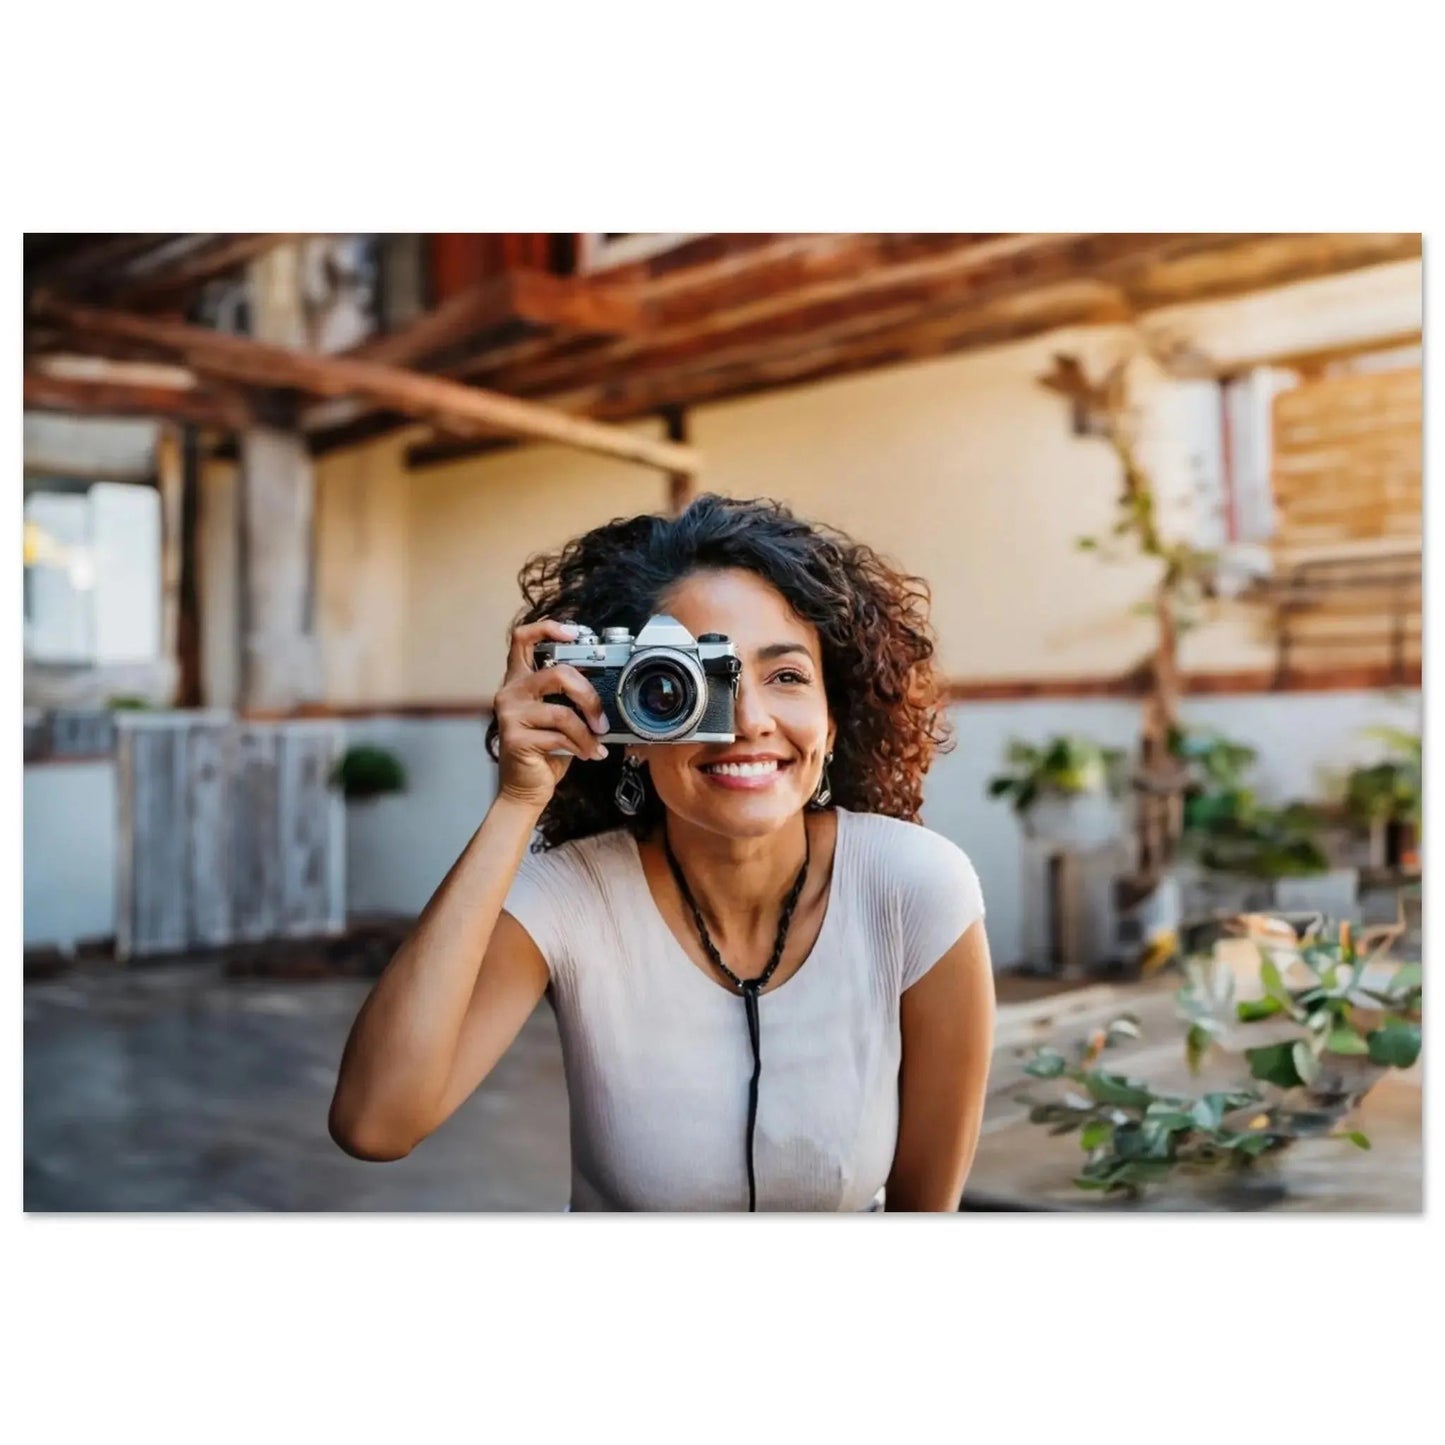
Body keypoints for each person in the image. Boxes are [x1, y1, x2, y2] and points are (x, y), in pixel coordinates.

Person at [329, 494, 995, 1211]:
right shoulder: (571, 899)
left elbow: (926, 1219)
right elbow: (376, 1122)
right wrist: (516, 801)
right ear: (627, 719)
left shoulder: (915, 888)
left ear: (833, 722)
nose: (746, 721)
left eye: (787, 675)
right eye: (690, 681)